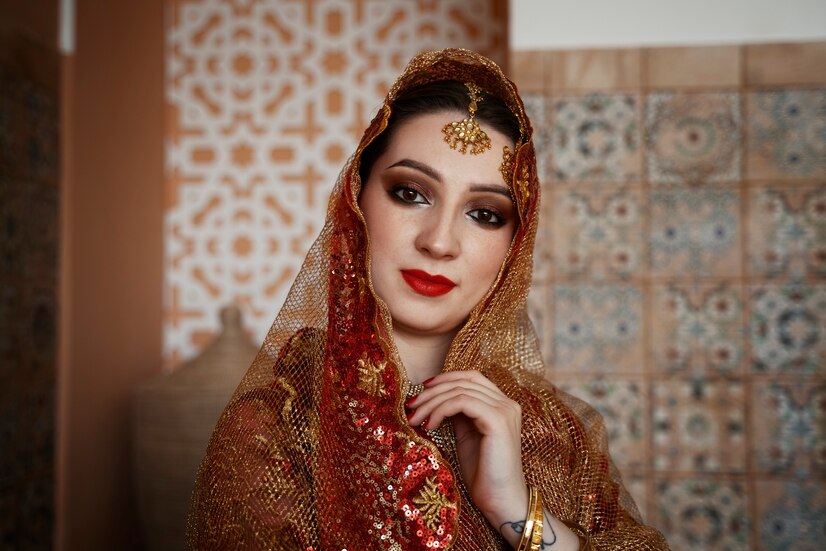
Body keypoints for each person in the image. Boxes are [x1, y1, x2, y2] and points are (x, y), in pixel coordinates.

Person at [188, 48, 669, 550]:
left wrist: (514, 509)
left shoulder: (553, 431)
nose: (439, 242)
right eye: (411, 193)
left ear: (514, 246)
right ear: (356, 200)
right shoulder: (275, 428)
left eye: (484, 214)